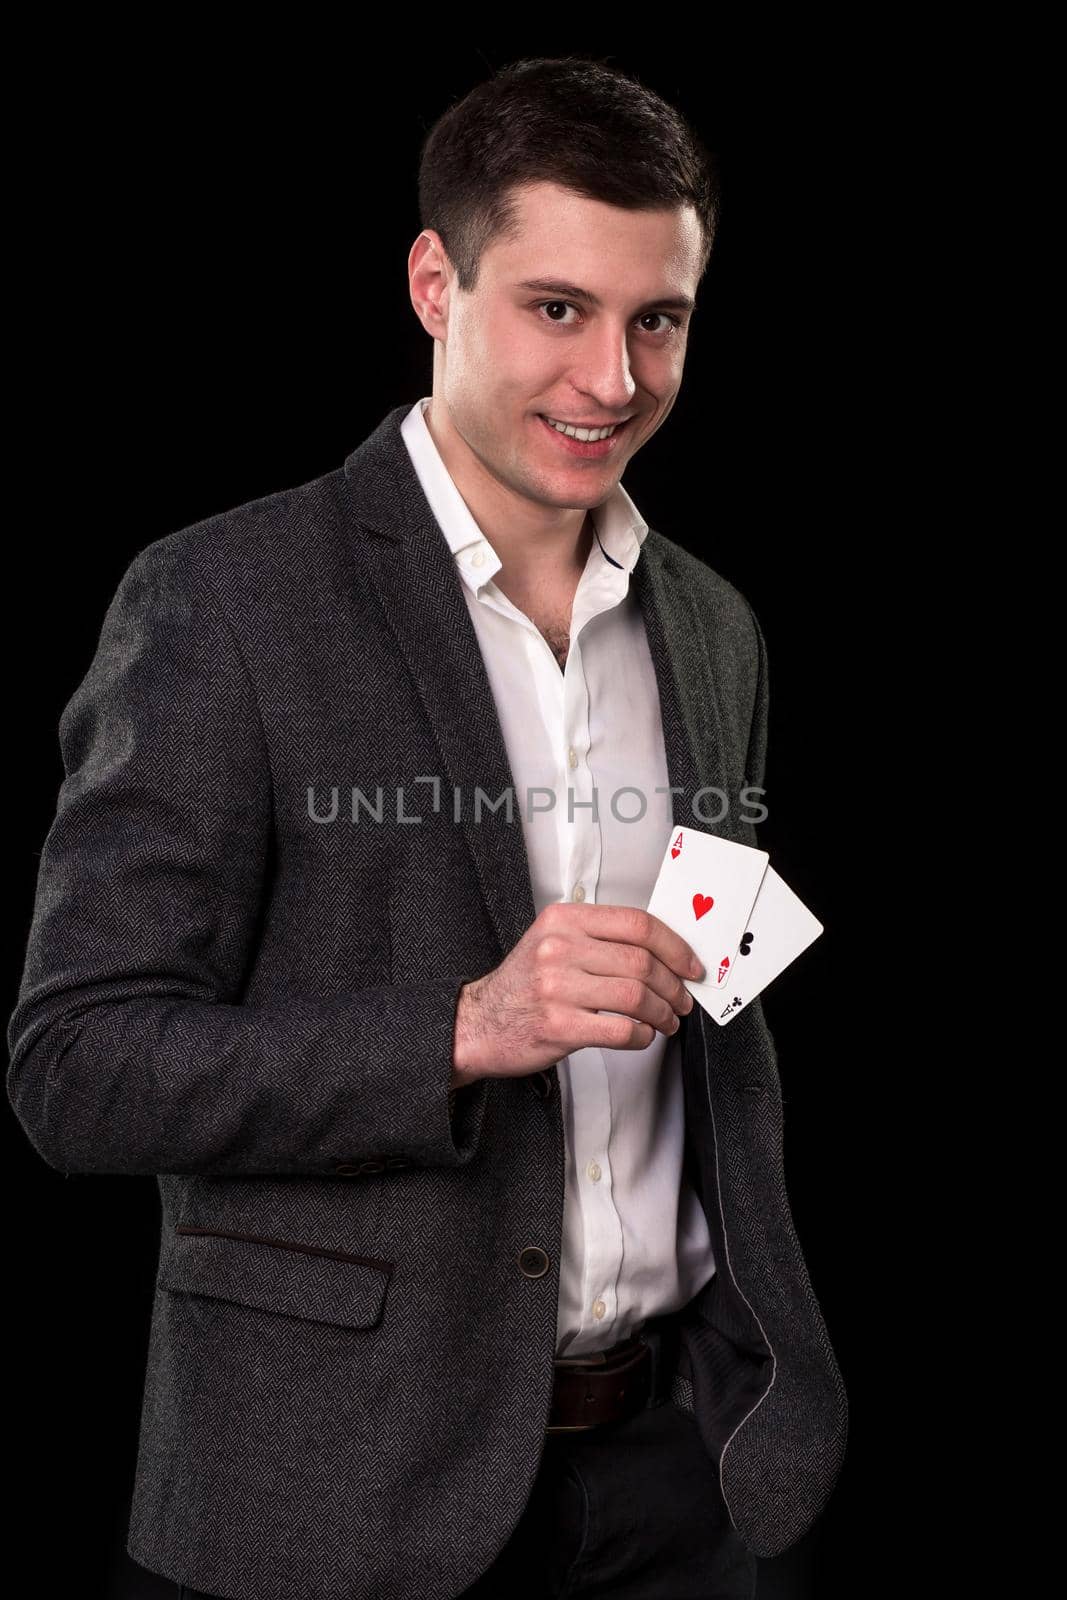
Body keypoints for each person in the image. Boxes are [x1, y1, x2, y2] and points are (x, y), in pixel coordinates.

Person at [6, 54, 847, 1600]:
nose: (613, 379)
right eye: (556, 309)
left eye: (656, 319)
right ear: (432, 282)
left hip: (686, 1480)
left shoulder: (716, 627)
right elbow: (78, 1070)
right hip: (340, 1500)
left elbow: (718, 1003)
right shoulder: (223, 602)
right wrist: (463, 1025)